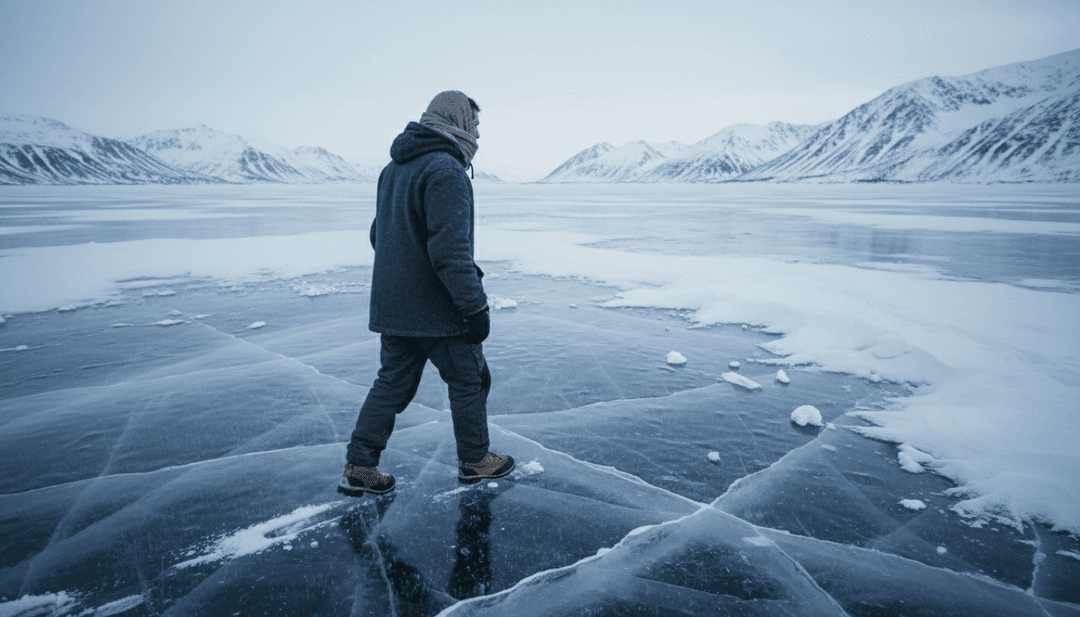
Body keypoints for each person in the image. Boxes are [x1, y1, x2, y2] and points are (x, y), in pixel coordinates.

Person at [339, 91, 514, 496]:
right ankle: (475, 460)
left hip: (394, 308)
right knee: (469, 379)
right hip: (439, 311)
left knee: (391, 385)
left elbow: (377, 235)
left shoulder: (393, 169)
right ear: (458, 121)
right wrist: (475, 307)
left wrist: (402, 274)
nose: (479, 131)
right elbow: (451, 253)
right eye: (475, 122)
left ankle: (360, 465)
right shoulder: (445, 170)